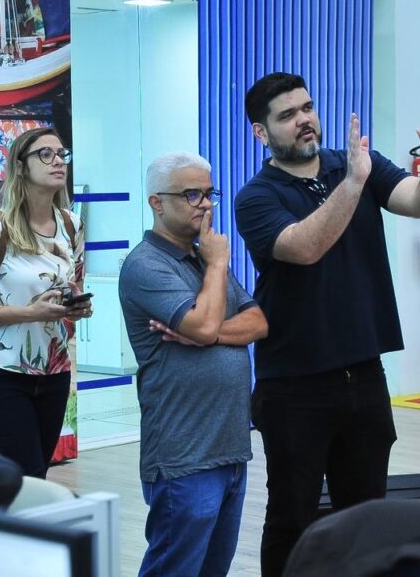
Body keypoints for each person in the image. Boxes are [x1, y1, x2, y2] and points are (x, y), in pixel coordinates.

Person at [233, 72, 420, 577]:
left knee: (366, 517)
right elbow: (305, 246)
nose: (304, 120)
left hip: (363, 373)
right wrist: (353, 184)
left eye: (307, 108)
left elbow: (418, 201)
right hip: (294, 384)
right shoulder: (256, 197)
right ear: (261, 132)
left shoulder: (356, 162)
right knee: (292, 519)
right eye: (287, 115)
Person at [119, 152, 269, 577]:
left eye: (208, 193)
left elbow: (258, 322)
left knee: (212, 570)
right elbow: (203, 323)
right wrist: (218, 265)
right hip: (184, 456)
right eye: (191, 195)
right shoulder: (146, 265)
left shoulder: (204, 261)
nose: (204, 204)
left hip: (229, 449)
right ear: (157, 202)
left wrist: (210, 329)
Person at [0, 127, 92, 479]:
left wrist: (76, 306)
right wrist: (30, 313)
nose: (58, 161)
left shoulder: (72, 225)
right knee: (23, 476)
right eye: (45, 154)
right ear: (19, 166)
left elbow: (73, 285)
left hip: (54, 370)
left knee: (37, 476)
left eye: (62, 154)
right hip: (1, 372)